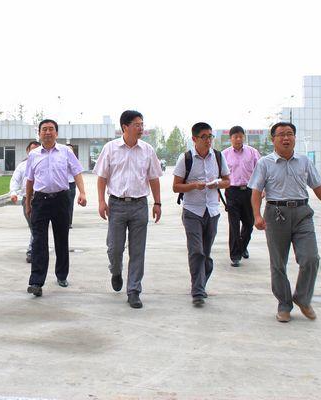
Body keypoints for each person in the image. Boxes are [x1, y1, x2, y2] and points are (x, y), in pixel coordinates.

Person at [248, 122, 321, 323]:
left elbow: (318, 186)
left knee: (311, 258)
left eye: (290, 134)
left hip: (302, 214)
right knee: (278, 263)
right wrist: (257, 215)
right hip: (276, 214)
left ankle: (302, 298)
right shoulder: (265, 163)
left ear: (294, 137)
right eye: (281, 134)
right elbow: (256, 191)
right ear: (273, 139)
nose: (286, 138)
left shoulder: (304, 161)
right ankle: (284, 304)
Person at [93, 110, 162, 309]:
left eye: (142, 124)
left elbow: (154, 178)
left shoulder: (147, 150)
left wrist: (157, 203)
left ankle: (134, 290)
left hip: (140, 205)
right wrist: (101, 201)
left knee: (137, 250)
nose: (141, 128)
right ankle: (116, 271)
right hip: (116, 204)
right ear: (125, 127)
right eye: (137, 125)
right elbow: (102, 177)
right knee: (114, 248)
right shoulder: (110, 148)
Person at [24, 119, 86, 297]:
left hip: (61, 199)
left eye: (51, 129)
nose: (48, 132)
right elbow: (30, 180)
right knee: (39, 242)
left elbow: (77, 172)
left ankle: (62, 275)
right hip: (40, 201)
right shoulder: (33, 155)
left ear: (56, 133)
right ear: (39, 133)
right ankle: (36, 282)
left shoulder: (66, 151)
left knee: (61, 239)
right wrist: (28, 202)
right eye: (44, 129)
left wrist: (82, 192)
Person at [172, 122, 230, 307]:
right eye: (204, 137)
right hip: (192, 211)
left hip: (212, 211)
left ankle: (201, 282)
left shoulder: (218, 157)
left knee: (206, 253)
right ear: (194, 139)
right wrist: (193, 186)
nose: (208, 140)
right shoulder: (186, 158)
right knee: (196, 251)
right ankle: (197, 291)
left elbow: (227, 181)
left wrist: (217, 183)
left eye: (210, 136)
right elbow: (176, 186)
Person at [221, 126, 261, 267]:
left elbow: (260, 173)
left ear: (244, 137)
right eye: (235, 137)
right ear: (230, 138)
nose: (238, 139)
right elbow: (219, 175)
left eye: (240, 136)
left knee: (249, 223)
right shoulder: (224, 155)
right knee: (234, 224)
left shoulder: (253, 152)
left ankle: (243, 246)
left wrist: (262, 190)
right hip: (232, 192)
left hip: (250, 192)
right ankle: (235, 255)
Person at [10, 140, 41, 263]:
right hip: (28, 199)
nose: (34, 152)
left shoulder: (45, 162)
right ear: (28, 151)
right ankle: (34, 250)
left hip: (42, 199)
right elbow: (15, 180)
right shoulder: (22, 166)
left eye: (37, 149)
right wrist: (13, 192)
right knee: (34, 227)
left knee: (37, 227)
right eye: (32, 149)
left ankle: (34, 251)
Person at [66, 143, 77, 228]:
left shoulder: (75, 161)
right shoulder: (60, 159)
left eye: (71, 150)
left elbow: (77, 174)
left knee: (70, 204)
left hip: (71, 184)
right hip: (61, 185)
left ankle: (69, 222)